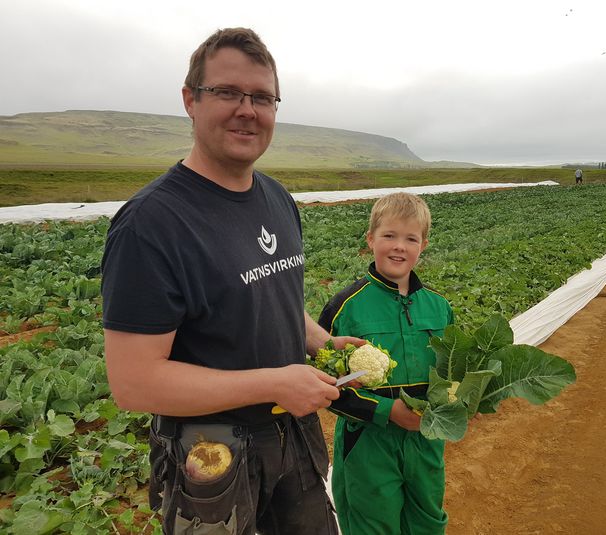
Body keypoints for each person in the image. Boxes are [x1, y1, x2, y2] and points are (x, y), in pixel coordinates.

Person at [101, 27, 357, 535]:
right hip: (211, 450)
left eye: (262, 97)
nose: (248, 109)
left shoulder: (278, 199)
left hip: (294, 434)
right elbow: (134, 383)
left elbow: (269, 294)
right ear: (190, 100)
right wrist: (274, 381)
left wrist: (323, 343)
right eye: (227, 92)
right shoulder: (151, 224)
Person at [318, 192, 454, 535]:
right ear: (370, 240)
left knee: (428, 521)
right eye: (389, 236)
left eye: (410, 238)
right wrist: (387, 411)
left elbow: (452, 372)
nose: (399, 247)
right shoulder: (345, 306)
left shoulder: (439, 308)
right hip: (368, 443)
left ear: (423, 244)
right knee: (372, 525)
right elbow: (325, 385)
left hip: (425, 443)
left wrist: (457, 400)